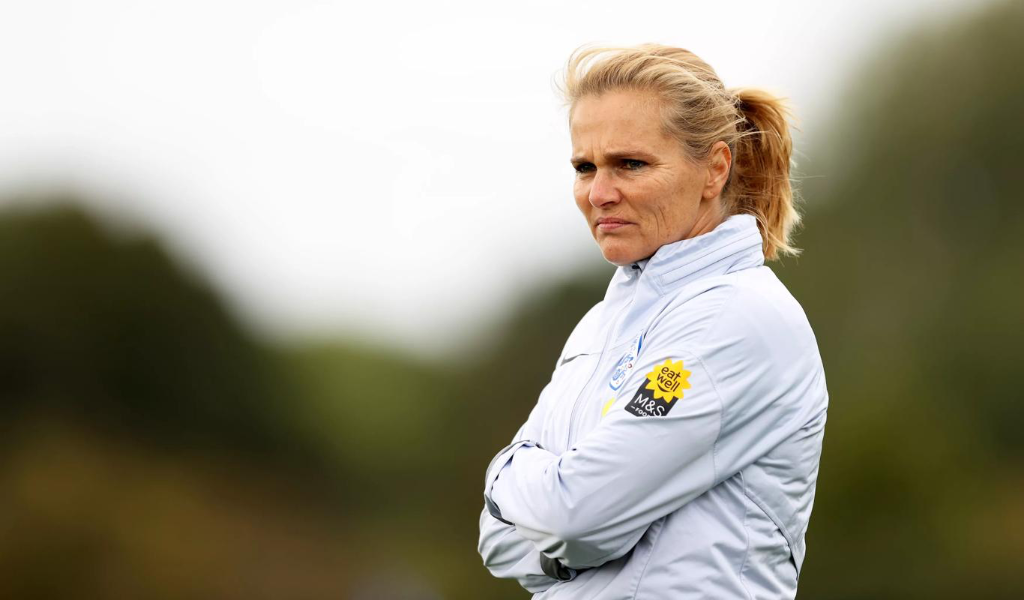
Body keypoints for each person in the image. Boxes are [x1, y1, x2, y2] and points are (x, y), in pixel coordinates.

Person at [477, 44, 828, 599]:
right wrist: (567, 540)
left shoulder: (738, 317)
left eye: (630, 164)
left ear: (715, 169)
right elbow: (495, 540)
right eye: (584, 167)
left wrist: (509, 480)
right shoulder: (600, 325)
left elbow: (575, 515)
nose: (599, 193)